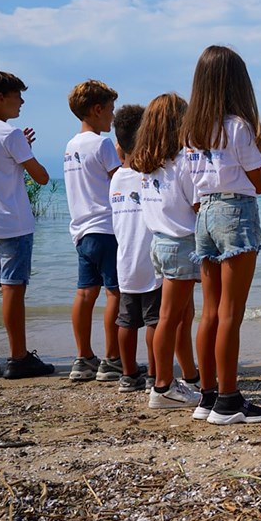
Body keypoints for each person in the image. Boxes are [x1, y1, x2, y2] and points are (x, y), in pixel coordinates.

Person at [183, 45, 261, 425]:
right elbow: (258, 183)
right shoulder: (238, 127)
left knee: (209, 312)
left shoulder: (192, 130)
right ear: (235, 83)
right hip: (234, 213)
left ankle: (207, 397)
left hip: (205, 213)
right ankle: (228, 400)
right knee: (230, 313)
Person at [0, 70, 54, 379]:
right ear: (0, 98)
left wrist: (20, 149)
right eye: (17, 96)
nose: (22, 101)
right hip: (12, 224)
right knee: (13, 288)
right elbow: (41, 177)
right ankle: (18, 356)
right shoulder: (9, 134)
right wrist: (25, 150)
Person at [130, 93, 202, 409]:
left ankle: (185, 379)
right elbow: (198, 204)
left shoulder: (147, 165)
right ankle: (161, 386)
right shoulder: (184, 162)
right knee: (171, 318)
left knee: (180, 315)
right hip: (181, 245)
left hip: (159, 243)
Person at [63, 80, 124, 383]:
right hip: (107, 227)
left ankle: (83, 357)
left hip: (82, 229)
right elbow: (119, 178)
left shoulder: (71, 146)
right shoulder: (101, 144)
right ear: (97, 110)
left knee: (85, 293)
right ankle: (112, 358)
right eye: (110, 111)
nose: (112, 118)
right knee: (115, 292)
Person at [110, 104, 160, 392]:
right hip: (150, 260)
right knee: (154, 319)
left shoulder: (116, 177)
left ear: (119, 148)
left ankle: (128, 375)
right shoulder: (148, 176)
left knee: (126, 321)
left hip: (126, 260)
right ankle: (155, 372)